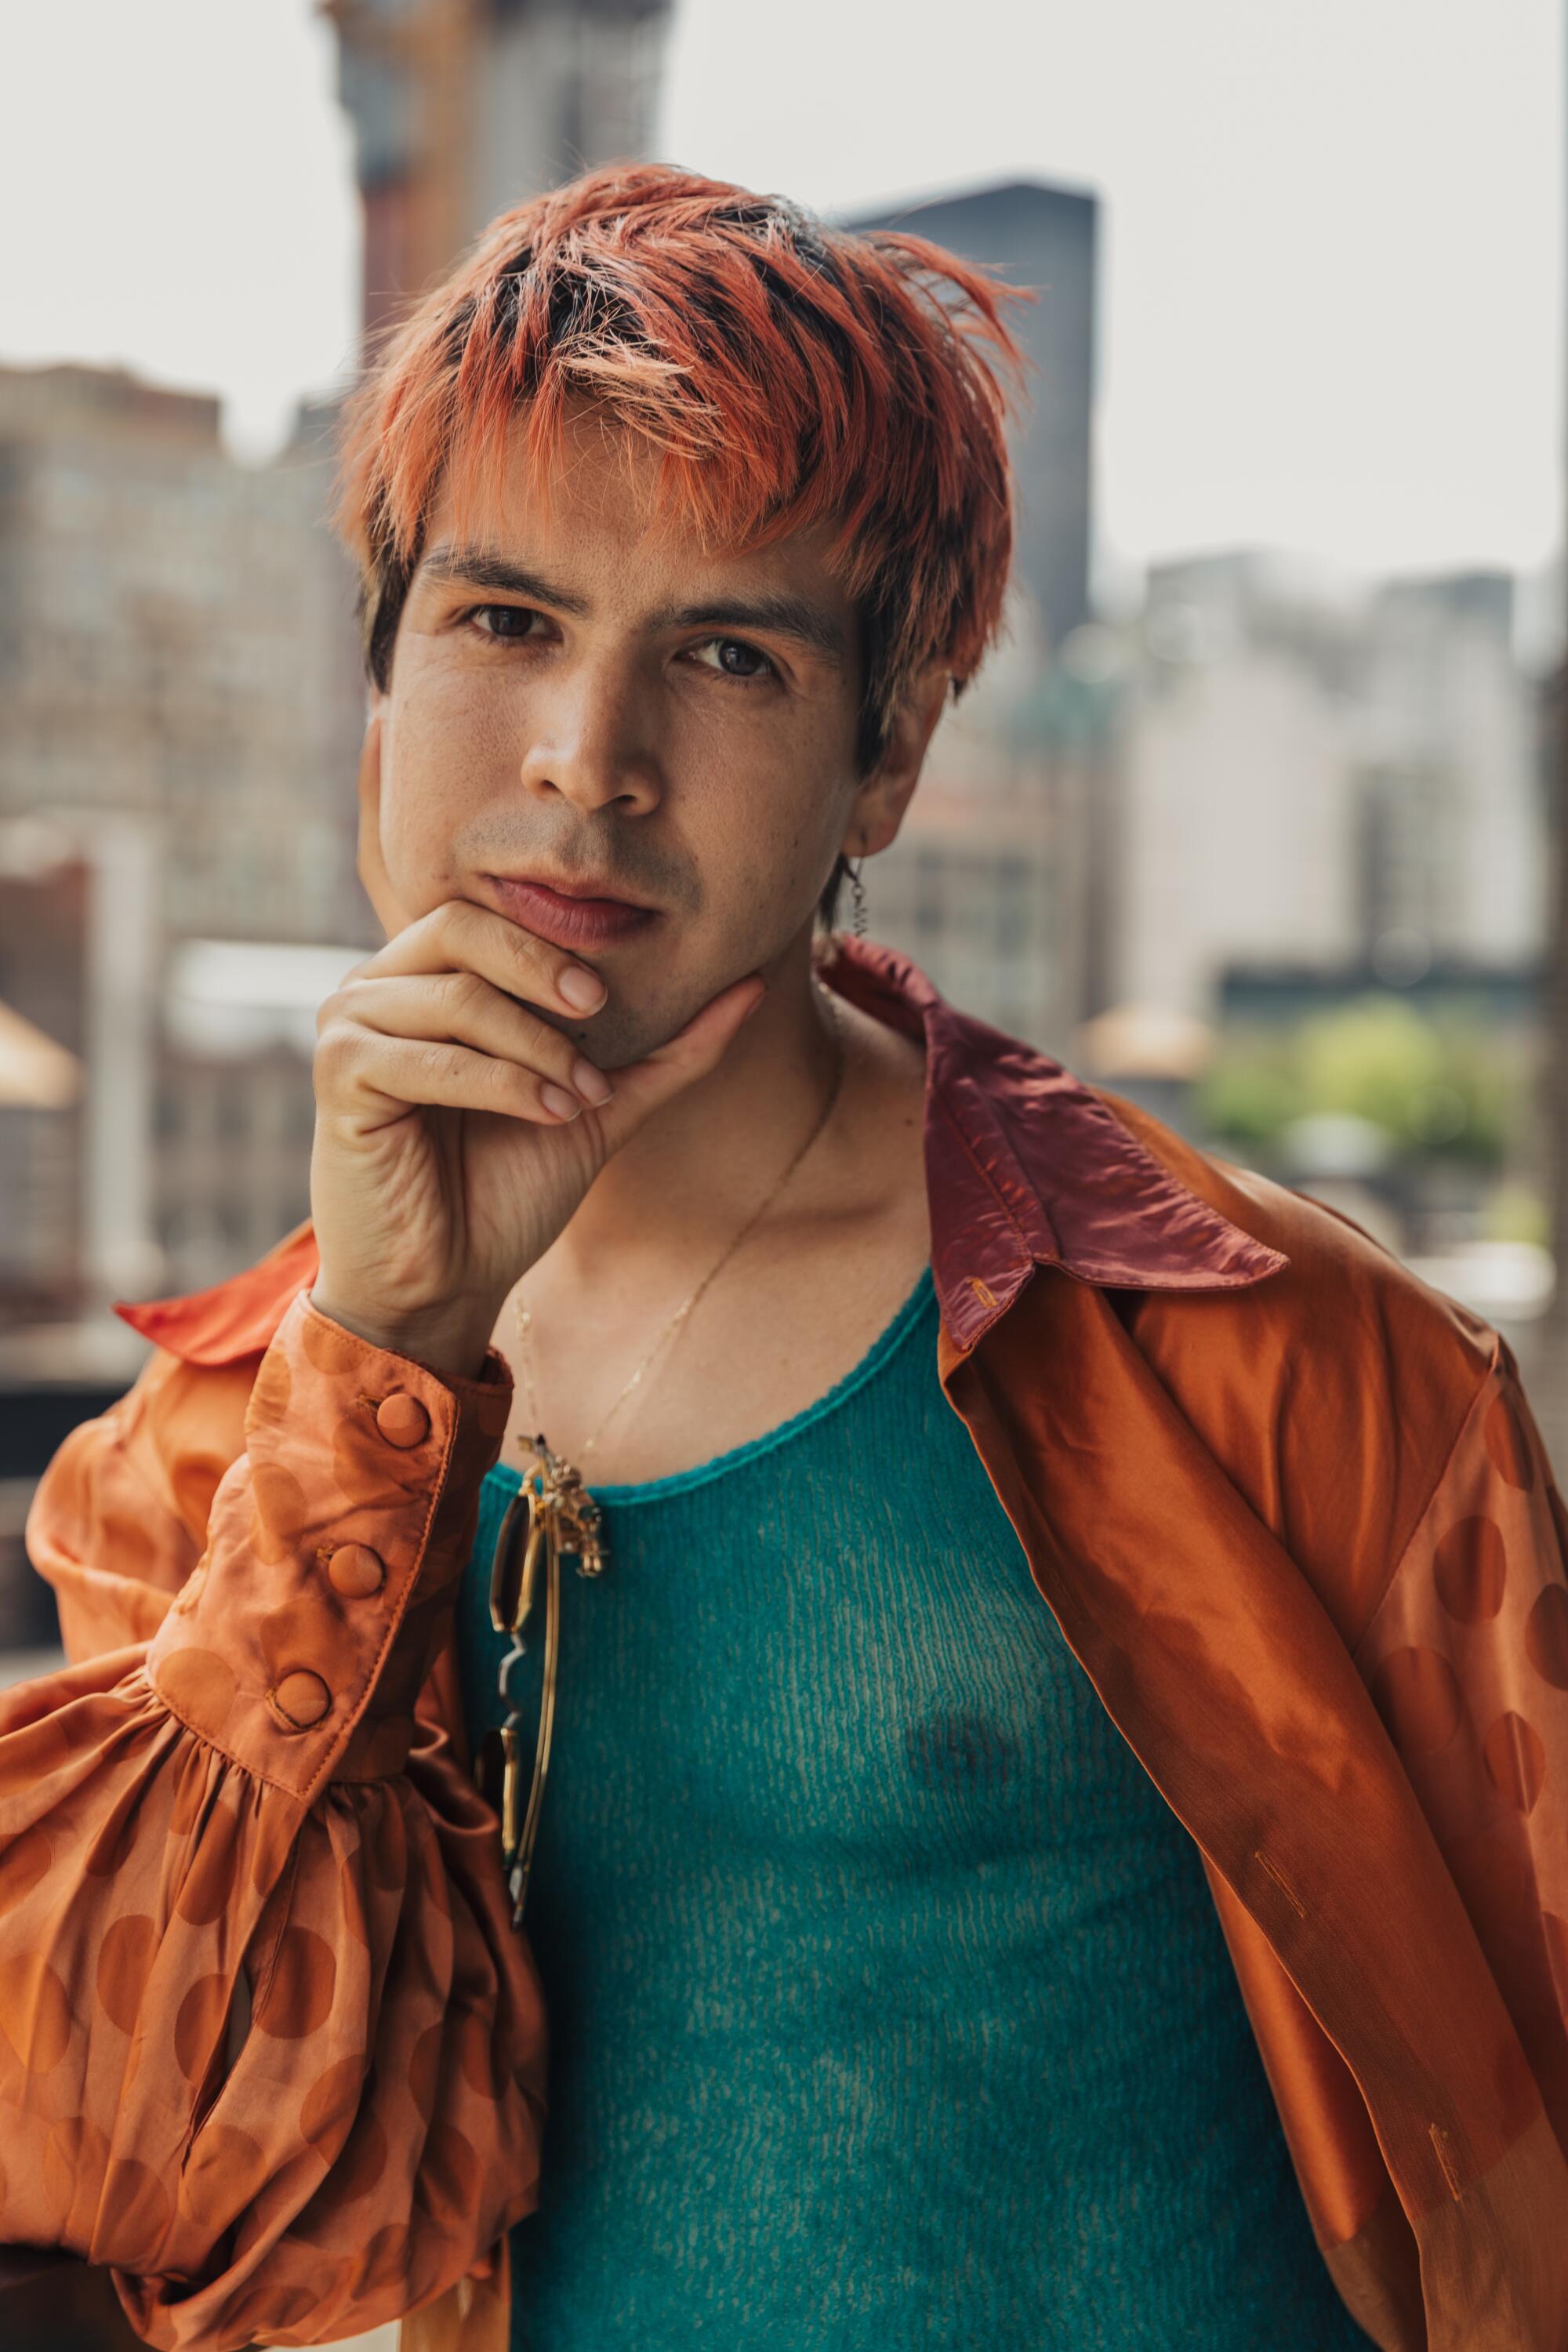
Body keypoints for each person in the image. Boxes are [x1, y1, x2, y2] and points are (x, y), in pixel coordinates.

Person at [2, 163, 1566, 2352]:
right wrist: (387, 1358)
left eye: (724, 655)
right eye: (504, 622)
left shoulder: (1276, 1365)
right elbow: (129, 2164)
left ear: (890, 751)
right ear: (378, 685)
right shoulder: (211, 1443)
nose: (585, 761)